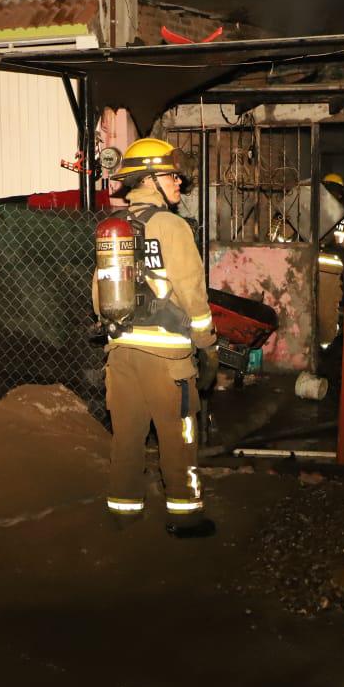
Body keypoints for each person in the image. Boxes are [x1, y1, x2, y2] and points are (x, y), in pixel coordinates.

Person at [92, 137, 219, 538]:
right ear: (150, 179)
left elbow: (99, 296)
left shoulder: (114, 229)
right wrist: (207, 344)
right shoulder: (172, 226)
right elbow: (192, 291)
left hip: (121, 355)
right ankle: (186, 517)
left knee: (127, 438)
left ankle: (124, 514)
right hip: (167, 363)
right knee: (179, 439)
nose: (179, 182)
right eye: (172, 175)